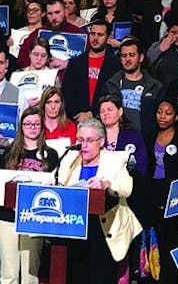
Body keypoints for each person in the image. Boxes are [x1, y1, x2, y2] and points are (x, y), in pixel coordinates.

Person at [57, 117, 141, 284]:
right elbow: (62, 184)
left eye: (89, 140)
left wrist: (106, 184)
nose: (84, 145)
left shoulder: (115, 159)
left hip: (104, 230)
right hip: (77, 228)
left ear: (101, 141)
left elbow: (126, 188)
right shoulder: (69, 158)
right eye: (80, 140)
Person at [0, 107, 58, 284]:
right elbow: (0, 185)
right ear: (21, 127)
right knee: (9, 272)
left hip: (34, 219)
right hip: (8, 217)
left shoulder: (51, 155)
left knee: (30, 274)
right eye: (28, 123)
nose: (32, 127)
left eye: (36, 123)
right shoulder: (9, 153)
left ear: (42, 126)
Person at [145, 97, 178, 284]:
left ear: (176, 117)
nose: (162, 117)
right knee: (152, 248)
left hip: (173, 199)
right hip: (152, 195)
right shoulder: (149, 137)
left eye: (168, 113)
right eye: (159, 112)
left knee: (170, 247)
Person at [61, 19, 121, 122]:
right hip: (77, 120)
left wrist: (93, 113)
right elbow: (67, 93)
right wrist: (79, 115)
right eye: (92, 34)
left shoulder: (116, 65)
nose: (95, 38)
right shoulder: (75, 63)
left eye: (100, 34)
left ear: (108, 38)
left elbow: (115, 96)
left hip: (105, 120)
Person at [104, 36, 164, 137]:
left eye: (132, 55)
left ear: (141, 58)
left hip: (145, 141)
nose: (127, 59)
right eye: (124, 56)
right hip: (117, 139)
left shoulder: (155, 87)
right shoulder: (110, 85)